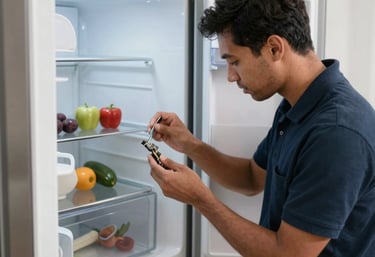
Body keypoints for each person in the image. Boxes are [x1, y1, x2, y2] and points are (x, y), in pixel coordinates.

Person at [146, 0, 375, 256]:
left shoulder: (336, 134)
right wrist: (189, 144)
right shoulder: (296, 104)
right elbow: (252, 178)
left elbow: (288, 254)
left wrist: (201, 199)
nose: (231, 76)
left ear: (274, 48)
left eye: (234, 61)